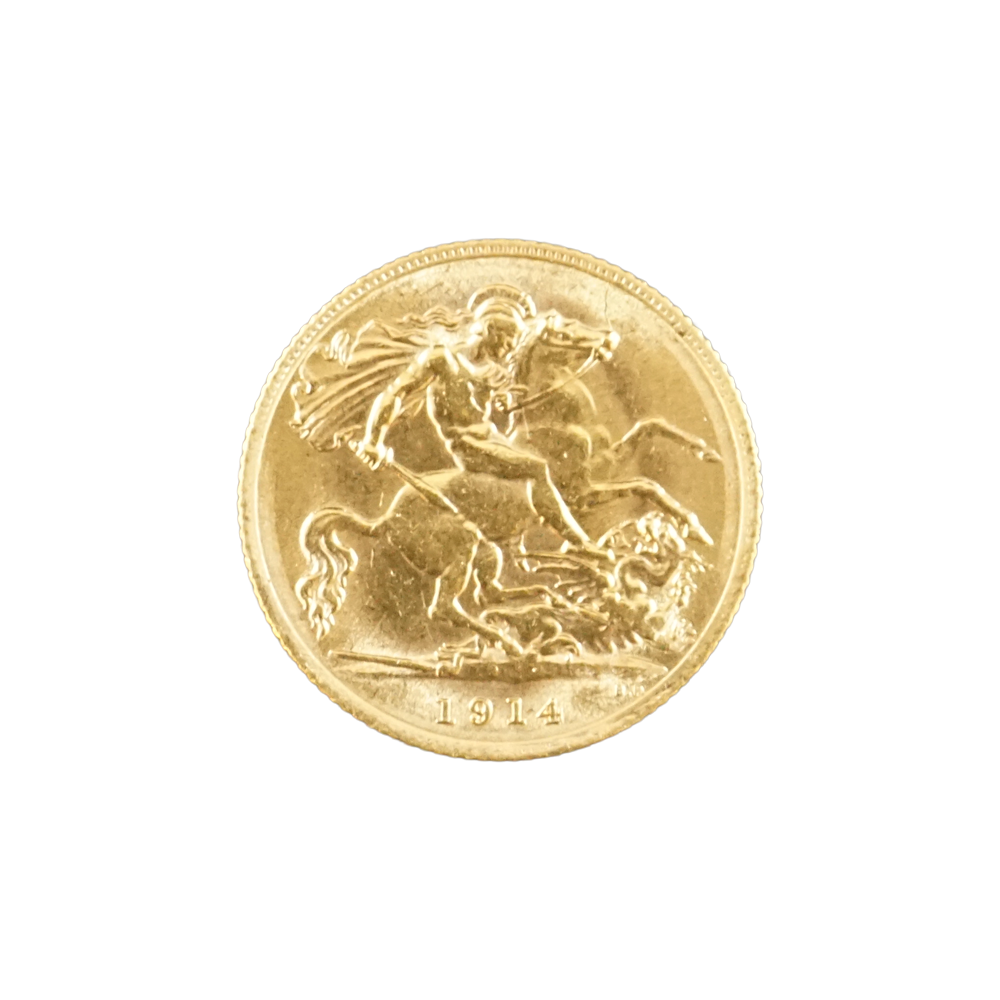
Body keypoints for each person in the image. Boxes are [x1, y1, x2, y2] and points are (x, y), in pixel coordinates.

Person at [355, 285, 615, 561]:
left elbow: (484, 410)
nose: (509, 349)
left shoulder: (489, 371)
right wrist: (372, 440)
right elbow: (394, 393)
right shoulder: (441, 360)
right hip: (469, 446)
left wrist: (503, 402)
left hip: (490, 439)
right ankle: (578, 542)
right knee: (537, 469)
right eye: (508, 340)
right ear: (491, 331)